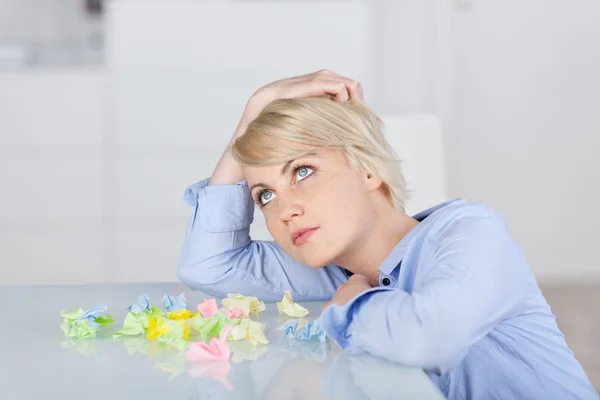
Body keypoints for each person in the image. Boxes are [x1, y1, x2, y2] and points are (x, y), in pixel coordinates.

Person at [177, 70, 598, 399]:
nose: (286, 210)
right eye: (265, 195)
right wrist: (256, 109)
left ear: (368, 168)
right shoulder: (335, 268)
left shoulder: (471, 233)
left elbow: (431, 337)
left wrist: (351, 307)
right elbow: (209, 265)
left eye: (303, 171)